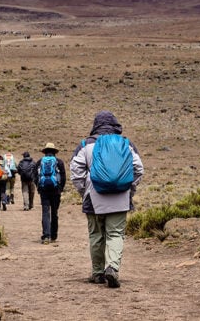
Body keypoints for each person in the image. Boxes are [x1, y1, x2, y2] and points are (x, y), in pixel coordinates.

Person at [70, 111, 143, 288]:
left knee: (96, 235)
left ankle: (97, 273)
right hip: (120, 197)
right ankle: (112, 268)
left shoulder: (85, 145)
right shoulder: (126, 144)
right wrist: (129, 189)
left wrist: (84, 191)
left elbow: (76, 171)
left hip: (94, 197)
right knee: (115, 234)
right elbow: (138, 169)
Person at [34, 143, 66, 244]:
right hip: (56, 190)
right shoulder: (59, 162)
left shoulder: (39, 162)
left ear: (45, 151)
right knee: (54, 213)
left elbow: (35, 176)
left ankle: (46, 236)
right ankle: (53, 235)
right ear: (54, 152)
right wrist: (60, 189)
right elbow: (63, 177)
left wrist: (39, 187)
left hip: (44, 190)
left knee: (45, 212)